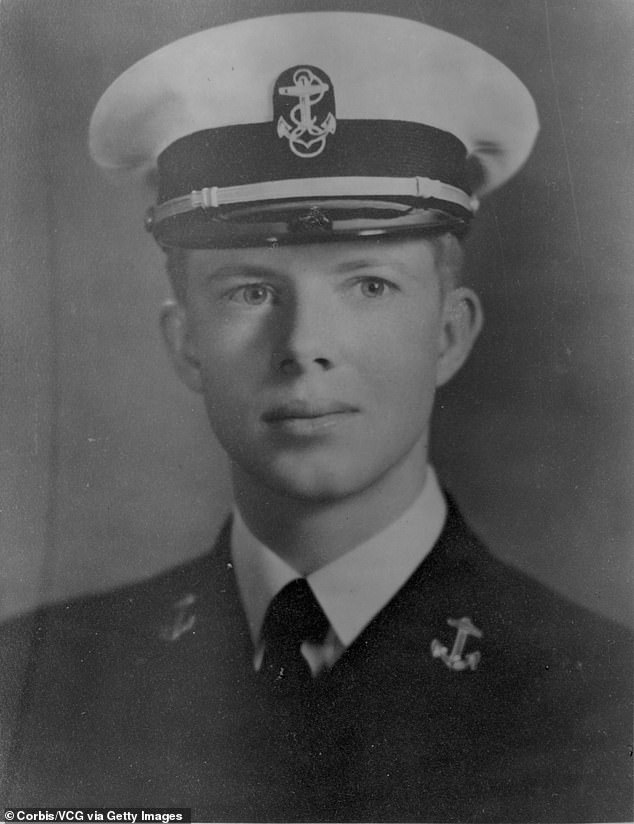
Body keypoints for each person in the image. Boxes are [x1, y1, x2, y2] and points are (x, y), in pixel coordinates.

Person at [1, 11, 631, 823]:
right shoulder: (36, 684)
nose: (303, 347)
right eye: (249, 292)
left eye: (369, 285)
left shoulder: (601, 699)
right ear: (186, 342)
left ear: (449, 333)